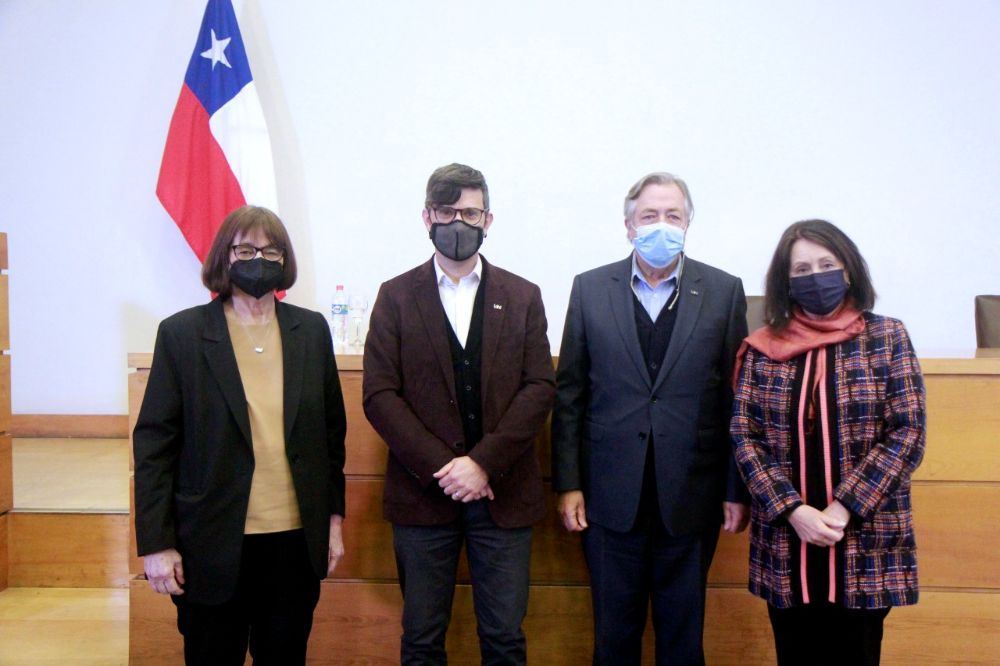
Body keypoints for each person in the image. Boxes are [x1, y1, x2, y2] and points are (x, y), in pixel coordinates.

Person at [133, 205, 347, 665]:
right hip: (209, 543)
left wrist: (333, 521)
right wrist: (156, 542)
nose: (259, 259)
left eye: (271, 251)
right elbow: (154, 446)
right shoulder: (183, 334)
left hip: (293, 541)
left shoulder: (310, 331)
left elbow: (331, 437)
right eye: (246, 249)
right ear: (224, 257)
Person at [552, 172, 750, 665]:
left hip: (691, 496)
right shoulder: (590, 288)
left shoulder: (724, 292)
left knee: (683, 641)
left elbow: (735, 401)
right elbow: (571, 394)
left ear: (688, 225)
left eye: (673, 216)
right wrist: (569, 484)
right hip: (608, 497)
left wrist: (734, 487)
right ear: (628, 225)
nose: (661, 225)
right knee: (613, 639)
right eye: (649, 216)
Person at [363, 163, 555, 665]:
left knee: (505, 638)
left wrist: (483, 464)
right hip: (423, 495)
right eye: (448, 211)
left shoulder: (523, 296)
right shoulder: (395, 296)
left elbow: (539, 387)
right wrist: (446, 471)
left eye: (470, 212)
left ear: (488, 219)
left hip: (503, 493)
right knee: (422, 639)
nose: (458, 223)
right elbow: (380, 395)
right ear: (427, 216)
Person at [730, 219, 925, 666]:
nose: (815, 276)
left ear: (849, 270)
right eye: (801, 269)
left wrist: (843, 508)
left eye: (826, 264)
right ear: (785, 281)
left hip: (863, 538)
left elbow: (907, 431)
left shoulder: (887, 337)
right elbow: (745, 435)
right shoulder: (763, 347)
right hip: (786, 540)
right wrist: (793, 511)